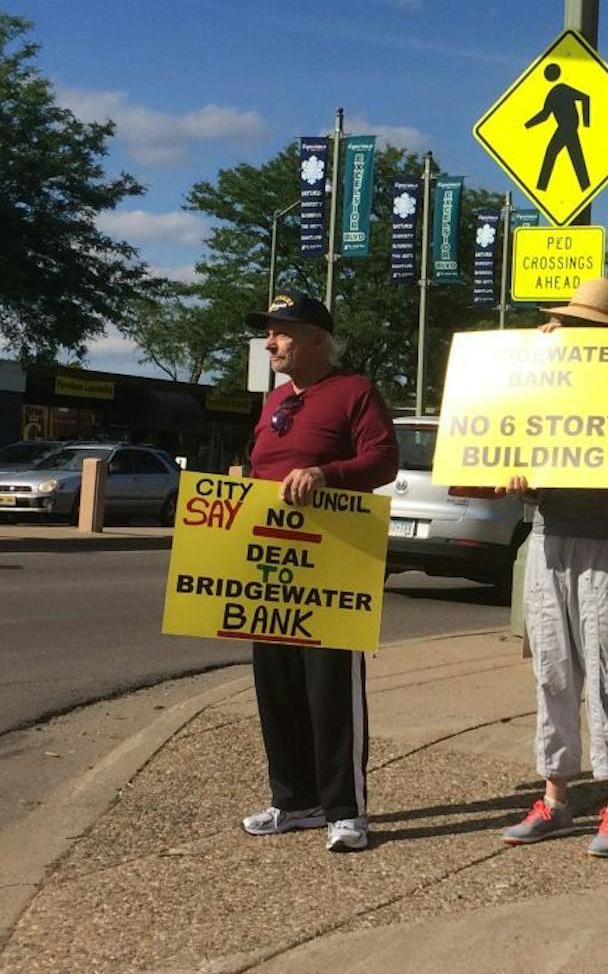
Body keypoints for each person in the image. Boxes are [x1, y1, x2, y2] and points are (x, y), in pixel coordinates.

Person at [238, 290, 398, 853]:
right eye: (268, 331)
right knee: (275, 683)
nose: (270, 341)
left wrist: (326, 473)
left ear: (317, 340)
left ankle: (345, 809)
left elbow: (383, 461)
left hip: (332, 561)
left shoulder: (355, 392)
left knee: (331, 686)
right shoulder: (276, 399)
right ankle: (293, 800)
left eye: (281, 331)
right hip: (270, 564)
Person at [498, 277, 608, 858]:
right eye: (570, 324)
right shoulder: (542, 383)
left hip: (605, 541)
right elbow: (513, 440)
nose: (573, 334)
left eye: (587, 328)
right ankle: (554, 796)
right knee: (554, 673)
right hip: (549, 536)